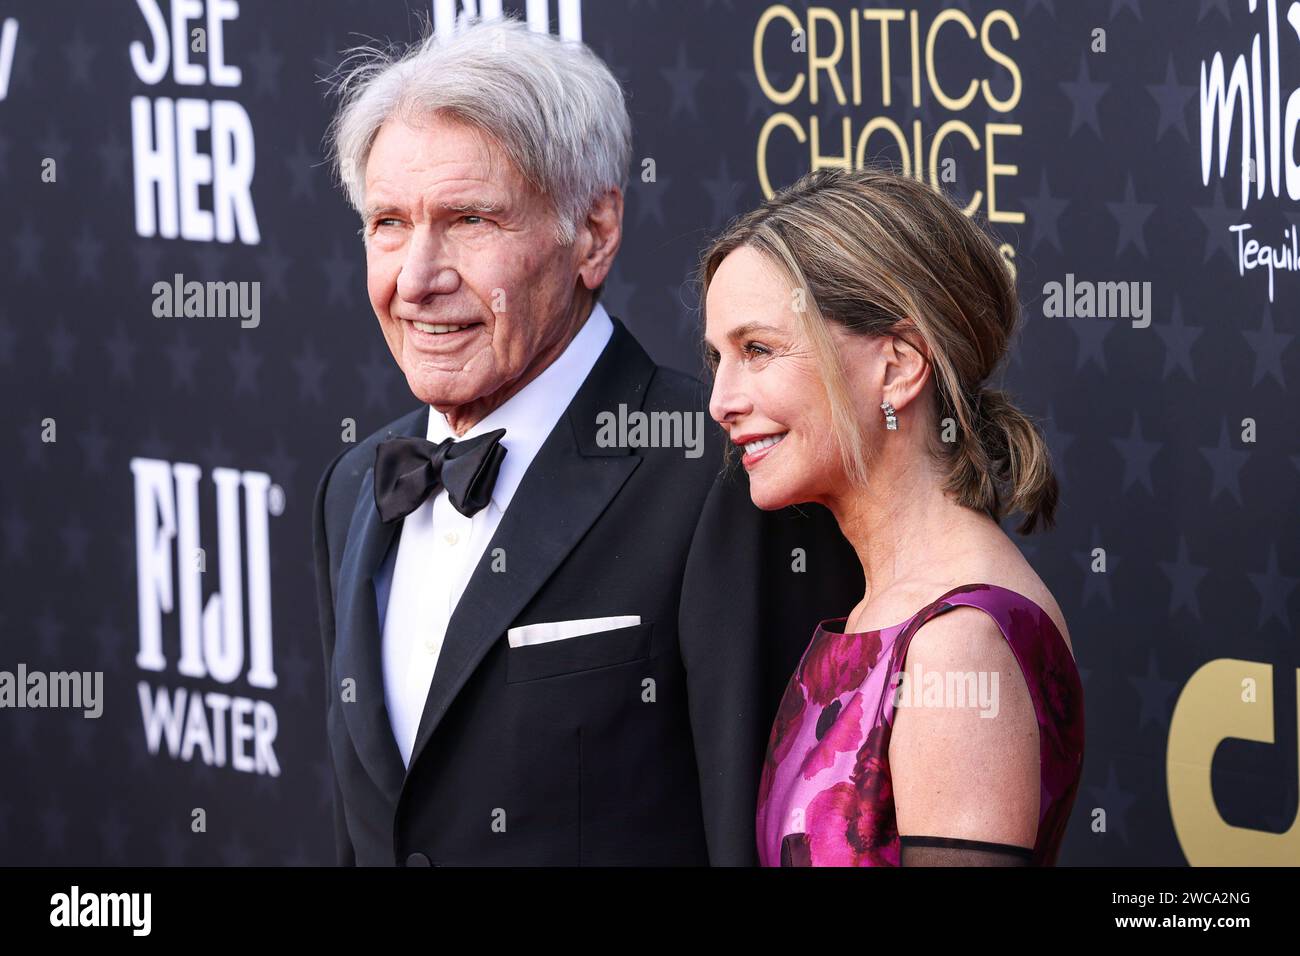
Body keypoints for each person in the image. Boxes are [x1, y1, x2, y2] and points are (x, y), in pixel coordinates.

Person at [312, 17, 860, 866]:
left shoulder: (726, 477)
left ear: (594, 234)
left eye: (469, 220)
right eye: (388, 223)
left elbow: (764, 839)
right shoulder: (356, 486)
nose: (416, 279)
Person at [700, 166, 1086, 866]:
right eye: (718, 357)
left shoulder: (955, 644)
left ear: (899, 367)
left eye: (758, 350)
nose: (720, 400)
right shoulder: (885, 609)